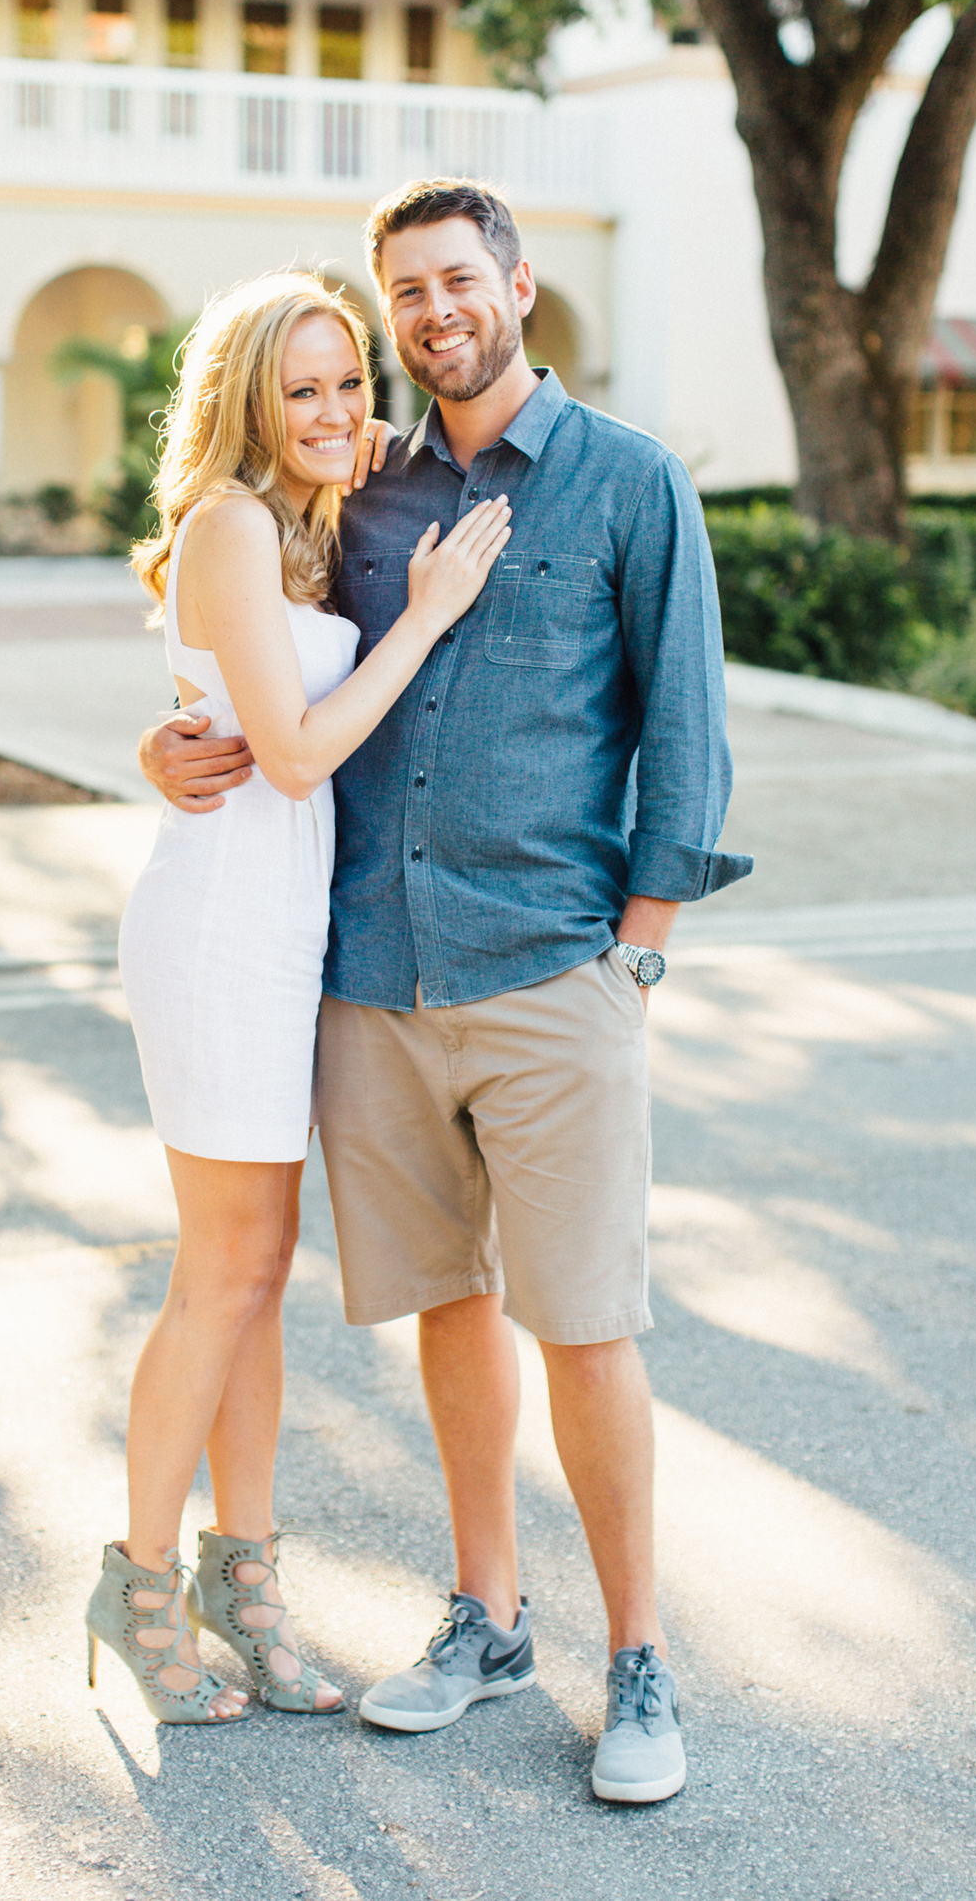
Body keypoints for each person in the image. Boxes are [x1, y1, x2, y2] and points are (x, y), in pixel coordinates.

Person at [139, 182, 752, 1797]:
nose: (431, 312)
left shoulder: (631, 484)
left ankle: (640, 1660)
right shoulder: (365, 490)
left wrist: (640, 953)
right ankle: (489, 1614)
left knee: (590, 1323)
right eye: (404, 289)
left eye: (457, 278)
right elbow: (252, 655)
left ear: (519, 284)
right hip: (371, 974)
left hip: (554, 968)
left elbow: (687, 735)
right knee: (450, 1309)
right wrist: (161, 742)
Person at [87, 268, 512, 1726]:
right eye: (303, 389)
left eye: (349, 382)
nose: (335, 411)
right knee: (220, 1276)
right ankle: (138, 1583)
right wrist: (432, 610)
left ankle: (242, 1581)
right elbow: (287, 752)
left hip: (286, 936)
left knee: (258, 1276)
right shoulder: (227, 524)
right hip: (217, 929)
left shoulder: (310, 519)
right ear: (246, 399)